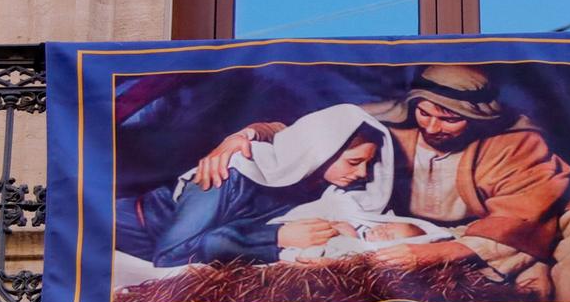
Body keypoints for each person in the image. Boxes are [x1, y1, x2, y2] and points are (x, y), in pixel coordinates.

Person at [191, 65, 570, 301]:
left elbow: (520, 218)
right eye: (426, 111)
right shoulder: (387, 123)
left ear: (477, 118)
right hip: (415, 229)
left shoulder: (516, 142)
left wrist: (430, 251)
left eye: (450, 119)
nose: (434, 126)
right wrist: (244, 135)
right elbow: (306, 132)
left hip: (502, 229)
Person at [117, 103, 390, 268]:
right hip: (122, 228)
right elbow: (171, 255)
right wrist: (276, 237)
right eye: (354, 161)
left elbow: (281, 129)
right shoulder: (232, 170)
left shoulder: (316, 180)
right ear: (322, 150)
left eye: (368, 163)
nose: (363, 173)